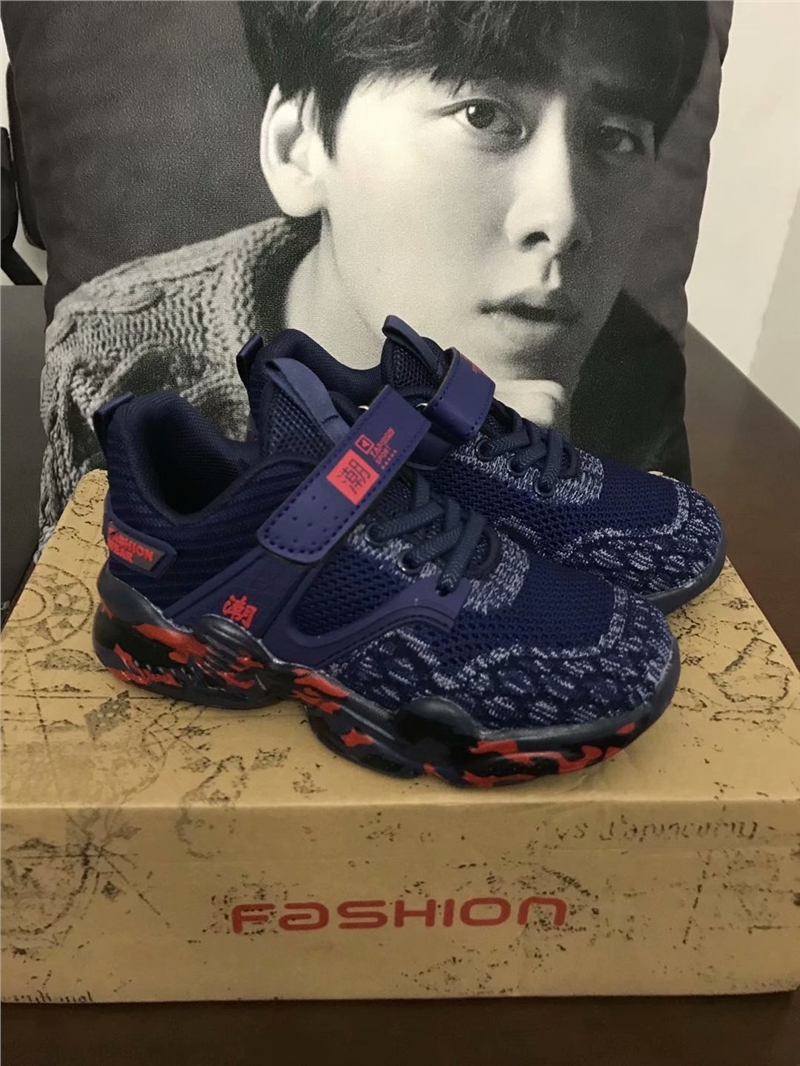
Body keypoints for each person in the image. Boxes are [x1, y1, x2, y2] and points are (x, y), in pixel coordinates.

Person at [39, 1, 709, 543]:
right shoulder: (120, 357)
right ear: (297, 148)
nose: (562, 219)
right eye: (482, 114)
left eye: (617, 137)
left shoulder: (638, 377)